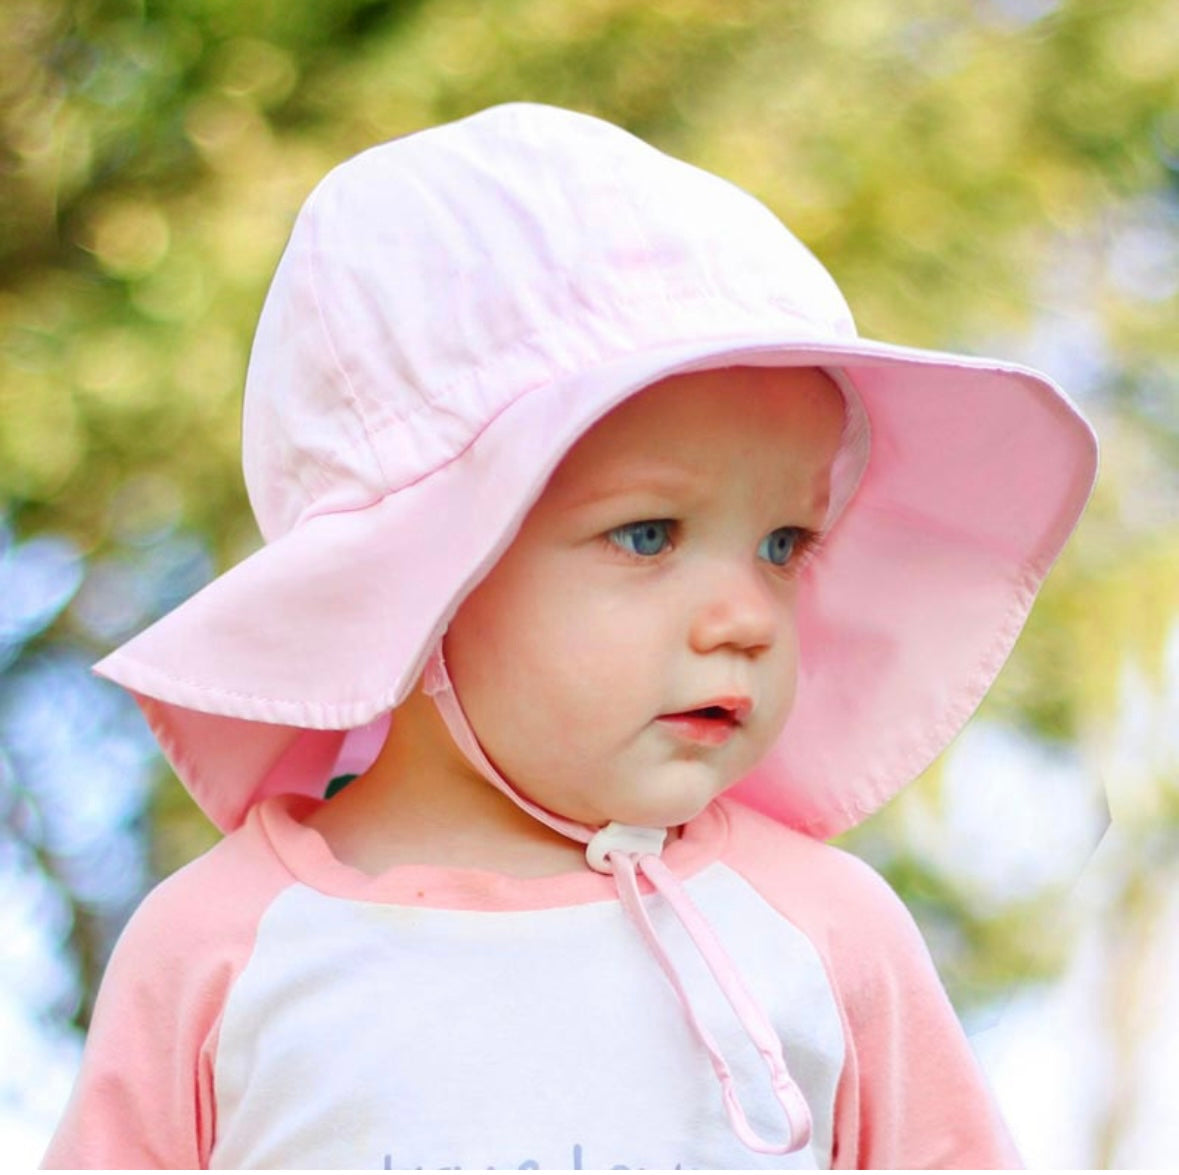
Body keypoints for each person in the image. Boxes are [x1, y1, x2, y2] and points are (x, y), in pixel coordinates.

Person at [42, 102, 1097, 1170]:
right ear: (421, 574)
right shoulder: (221, 948)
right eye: (649, 534)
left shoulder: (823, 933)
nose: (747, 617)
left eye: (784, 544)